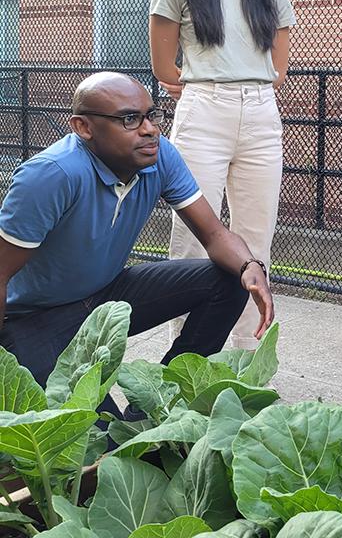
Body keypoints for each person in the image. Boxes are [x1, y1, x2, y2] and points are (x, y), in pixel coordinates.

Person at [0, 72, 273, 389]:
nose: (149, 130)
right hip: (36, 318)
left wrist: (250, 266)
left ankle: (167, 398)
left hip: (106, 297)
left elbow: (214, 235)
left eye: (151, 116)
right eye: (129, 119)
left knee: (230, 278)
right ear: (83, 127)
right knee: (98, 436)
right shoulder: (52, 175)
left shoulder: (161, 156)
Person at [149, 0, 296, 350]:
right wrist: (203, 91)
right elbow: (162, 66)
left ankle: (250, 359)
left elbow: (279, 67)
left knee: (257, 237)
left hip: (260, 114)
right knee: (192, 236)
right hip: (202, 111)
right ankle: (186, 359)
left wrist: (241, 88)